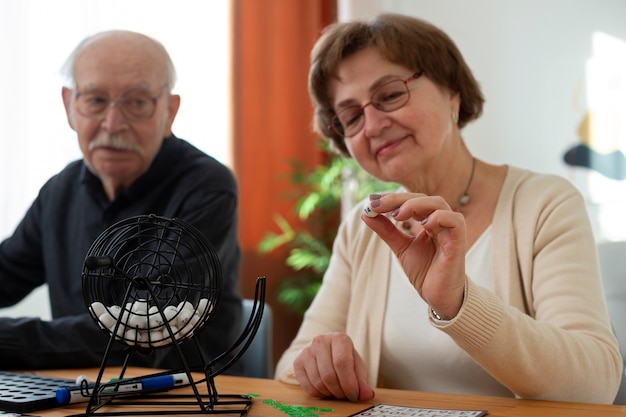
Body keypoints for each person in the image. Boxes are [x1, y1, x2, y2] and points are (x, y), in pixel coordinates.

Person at [275, 14, 623, 404]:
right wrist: (319, 366)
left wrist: (460, 303)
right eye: (351, 116)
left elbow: (596, 384)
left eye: (390, 95)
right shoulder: (362, 229)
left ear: (452, 92)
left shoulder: (543, 204)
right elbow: (290, 371)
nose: (371, 125)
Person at [0, 30, 242, 372]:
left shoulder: (206, 188)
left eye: (137, 102)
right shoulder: (60, 190)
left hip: (183, 401)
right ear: (70, 106)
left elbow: (138, 335)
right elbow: (7, 273)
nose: (113, 124)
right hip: (76, 396)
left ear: (169, 112)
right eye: (95, 100)